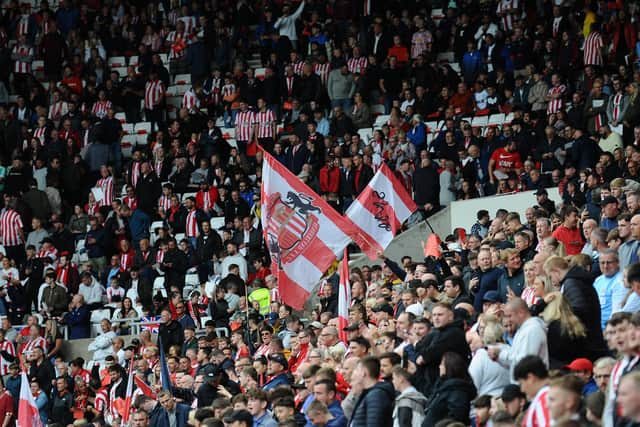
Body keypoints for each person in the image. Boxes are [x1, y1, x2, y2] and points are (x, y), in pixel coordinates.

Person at [423, 352, 477, 426]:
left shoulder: (457, 390)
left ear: (449, 366)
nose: (439, 366)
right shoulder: (443, 386)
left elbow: (457, 416)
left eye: (442, 364)